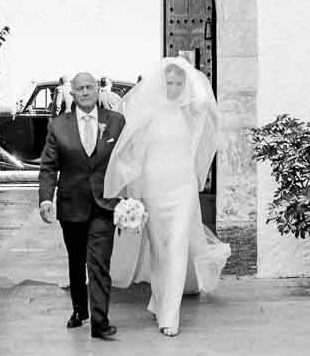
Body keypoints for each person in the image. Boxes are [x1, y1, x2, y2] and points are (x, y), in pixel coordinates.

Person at [104, 56, 230, 337]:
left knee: (177, 245)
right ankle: (158, 299)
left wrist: (195, 89)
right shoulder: (148, 114)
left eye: (178, 82)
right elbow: (131, 153)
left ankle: (170, 316)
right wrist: (130, 194)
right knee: (159, 249)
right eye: (169, 82)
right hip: (154, 187)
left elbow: (211, 115)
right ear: (161, 84)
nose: (173, 87)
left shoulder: (192, 112)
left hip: (182, 187)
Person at [36, 70, 125, 341]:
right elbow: (49, 166)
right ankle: (79, 310)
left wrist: (130, 197)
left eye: (90, 87)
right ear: (71, 94)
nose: (85, 92)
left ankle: (100, 322)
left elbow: (127, 160)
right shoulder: (58, 126)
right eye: (80, 89)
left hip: (104, 204)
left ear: (98, 91)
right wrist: (44, 198)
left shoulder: (116, 122)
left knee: (98, 262)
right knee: (77, 261)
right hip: (71, 204)